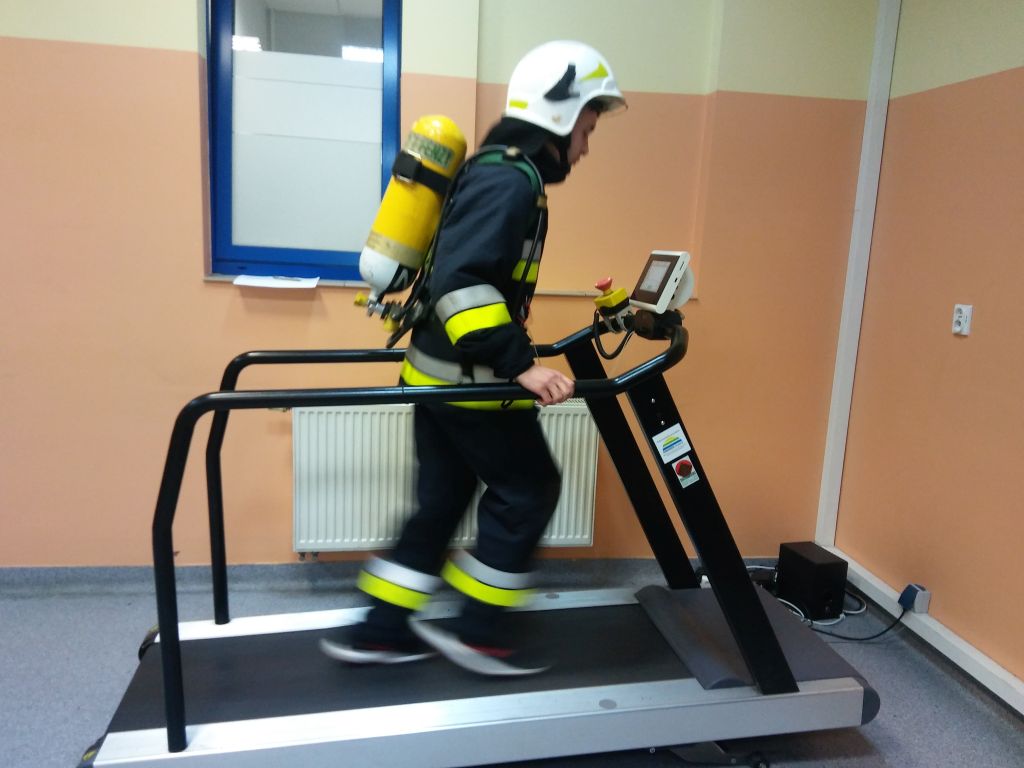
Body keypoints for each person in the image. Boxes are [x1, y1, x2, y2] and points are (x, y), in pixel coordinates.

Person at [321, 40, 626, 676]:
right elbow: (462, 284)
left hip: (435, 376)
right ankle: (480, 631)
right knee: (529, 489)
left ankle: (379, 630)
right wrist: (522, 365)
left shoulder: (495, 169)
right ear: (560, 116)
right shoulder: (509, 181)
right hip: (471, 383)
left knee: (440, 501)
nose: (586, 147)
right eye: (587, 130)